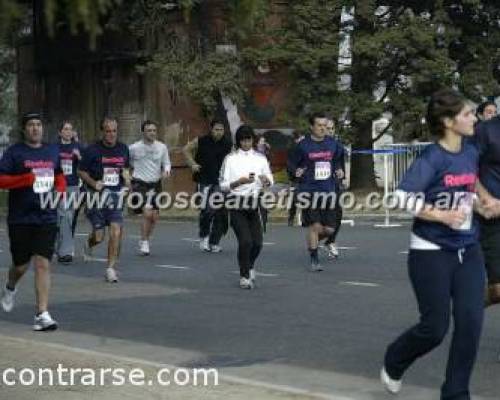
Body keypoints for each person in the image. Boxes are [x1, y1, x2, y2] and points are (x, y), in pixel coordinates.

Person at [381, 89, 491, 399]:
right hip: (431, 252)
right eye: (468, 114)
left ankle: (456, 393)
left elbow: (468, 183)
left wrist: (482, 202)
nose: (474, 118)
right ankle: (395, 358)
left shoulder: (470, 151)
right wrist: (441, 215)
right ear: (448, 121)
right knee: (435, 328)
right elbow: (402, 198)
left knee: (471, 323)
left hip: (468, 250)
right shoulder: (432, 157)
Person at [0, 112, 66, 331]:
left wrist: (61, 190)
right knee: (20, 266)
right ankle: (10, 286)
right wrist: (24, 179)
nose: (35, 128)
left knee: (42, 262)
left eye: (38, 124)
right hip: (20, 218)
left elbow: (59, 175)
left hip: (46, 215)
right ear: (24, 129)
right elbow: (1, 179)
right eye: (31, 125)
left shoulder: (52, 150)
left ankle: (42, 313)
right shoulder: (14, 152)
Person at [288, 113, 344, 271]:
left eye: (325, 125)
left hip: (329, 191)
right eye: (319, 125)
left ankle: (313, 242)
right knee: (315, 227)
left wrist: (339, 170)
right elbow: (291, 163)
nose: (323, 128)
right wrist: (295, 171)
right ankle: (314, 260)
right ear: (311, 127)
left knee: (330, 229)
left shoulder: (333, 144)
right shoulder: (303, 145)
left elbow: (337, 160)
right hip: (309, 191)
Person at [220, 125, 274, 289]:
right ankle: (244, 276)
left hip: (255, 203)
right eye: (243, 140)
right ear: (238, 141)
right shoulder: (230, 159)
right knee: (245, 241)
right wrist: (238, 182)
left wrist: (266, 181)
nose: (246, 143)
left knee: (257, 243)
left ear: (253, 140)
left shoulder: (260, 158)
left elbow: (270, 180)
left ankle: (249, 265)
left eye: (249, 139)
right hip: (236, 203)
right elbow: (223, 185)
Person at [78, 117, 131, 283]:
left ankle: (110, 269)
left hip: (115, 196)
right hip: (96, 197)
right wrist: (94, 183)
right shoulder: (92, 149)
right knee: (99, 237)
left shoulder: (123, 148)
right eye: (108, 131)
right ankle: (89, 243)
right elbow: (81, 171)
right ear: (103, 132)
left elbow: (126, 169)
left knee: (116, 231)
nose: (111, 134)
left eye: (114, 131)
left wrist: (128, 181)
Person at [183, 119, 232, 253]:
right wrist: (192, 164)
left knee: (221, 212)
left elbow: (234, 159)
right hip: (204, 180)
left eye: (221, 130)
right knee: (207, 211)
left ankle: (214, 242)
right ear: (211, 130)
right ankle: (204, 237)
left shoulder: (228, 144)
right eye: (216, 130)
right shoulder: (201, 141)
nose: (219, 132)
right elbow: (186, 150)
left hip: (221, 182)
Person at [129, 120, 171, 255]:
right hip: (140, 183)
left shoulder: (162, 147)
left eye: (154, 130)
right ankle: (145, 242)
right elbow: (127, 164)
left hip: (156, 184)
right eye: (149, 130)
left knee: (154, 217)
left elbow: (167, 164)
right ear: (143, 132)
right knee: (147, 213)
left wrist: (166, 171)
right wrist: (129, 179)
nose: (152, 133)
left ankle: (145, 239)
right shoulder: (134, 148)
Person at [473, 113, 500, 306]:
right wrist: (483, 198)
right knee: (498, 289)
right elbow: (465, 168)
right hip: (493, 216)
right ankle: (470, 305)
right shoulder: (486, 130)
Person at [56, 120, 82, 264]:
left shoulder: (78, 146)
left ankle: (59, 246)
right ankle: (66, 251)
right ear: (60, 132)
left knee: (68, 218)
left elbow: (86, 164)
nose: (68, 132)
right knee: (65, 215)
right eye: (65, 129)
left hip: (73, 186)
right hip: (59, 186)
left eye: (70, 129)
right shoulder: (54, 147)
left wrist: (79, 157)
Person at [322, 118, 346, 258]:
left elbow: (340, 164)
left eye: (332, 128)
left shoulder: (338, 146)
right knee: (321, 219)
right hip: (318, 187)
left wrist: (341, 176)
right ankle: (315, 240)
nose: (330, 131)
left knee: (338, 214)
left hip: (334, 185)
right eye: (327, 128)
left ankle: (330, 241)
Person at [286, 130, 305, 226]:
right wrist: (295, 172)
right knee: (294, 198)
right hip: (295, 178)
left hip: (306, 177)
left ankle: (304, 218)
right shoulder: (292, 149)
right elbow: (289, 164)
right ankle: (291, 217)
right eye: (301, 138)